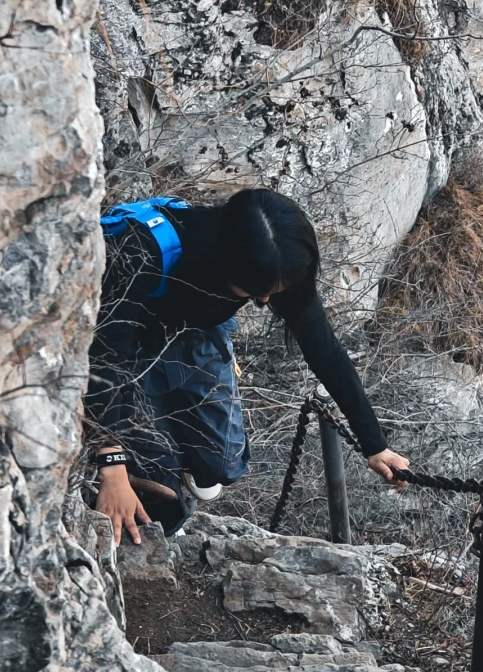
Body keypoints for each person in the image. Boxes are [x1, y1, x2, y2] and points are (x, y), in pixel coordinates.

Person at [85, 188, 408, 544]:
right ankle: (158, 472)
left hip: (195, 331)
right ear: (224, 261)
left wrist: (375, 445)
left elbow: (325, 351)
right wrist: (111, 466)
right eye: (254, 291)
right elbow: (103, 361)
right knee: (161, 494)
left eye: (271, 292)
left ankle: (193, 450)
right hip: (126, 345)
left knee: (224, 464)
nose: (266, 300)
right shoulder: (140, 254)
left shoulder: (278, 258)